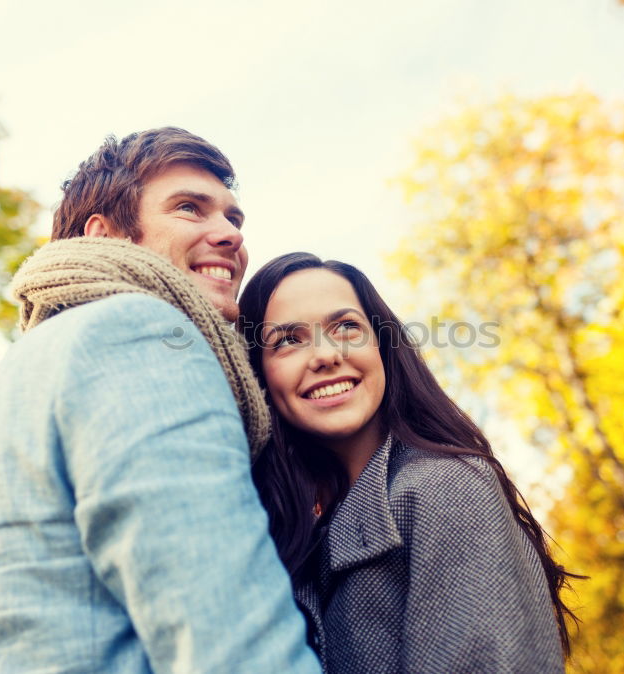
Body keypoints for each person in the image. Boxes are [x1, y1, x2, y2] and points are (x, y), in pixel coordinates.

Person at [0, 128, 321, 672]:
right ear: (106, 236)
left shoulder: (42, 360)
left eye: (234, 219)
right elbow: (228, 636)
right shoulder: (139, 332)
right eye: (190, 208)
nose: (229, 236)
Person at [237, 252, 579, 673]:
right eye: (288, 339)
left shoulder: (447, 488)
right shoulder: (291, 526)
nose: (325, 354)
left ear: (382, 345)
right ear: (260, 376)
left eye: (346, 327)